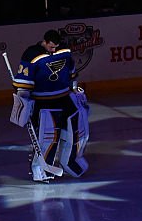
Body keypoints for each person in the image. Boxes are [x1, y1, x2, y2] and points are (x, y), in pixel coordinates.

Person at [12, 29, 89, 182]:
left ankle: (71, 162)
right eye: (51, 47)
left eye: (56, 46)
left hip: (65, 98)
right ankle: (41, 169)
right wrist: (23, 103)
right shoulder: (32, 54)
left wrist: (74, 89)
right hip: (43, 102)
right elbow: (23, 84)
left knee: (78, 131)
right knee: (48, 137)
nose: (53, 50)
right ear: (45, 41)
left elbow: (71, 73)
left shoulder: (65, 51)